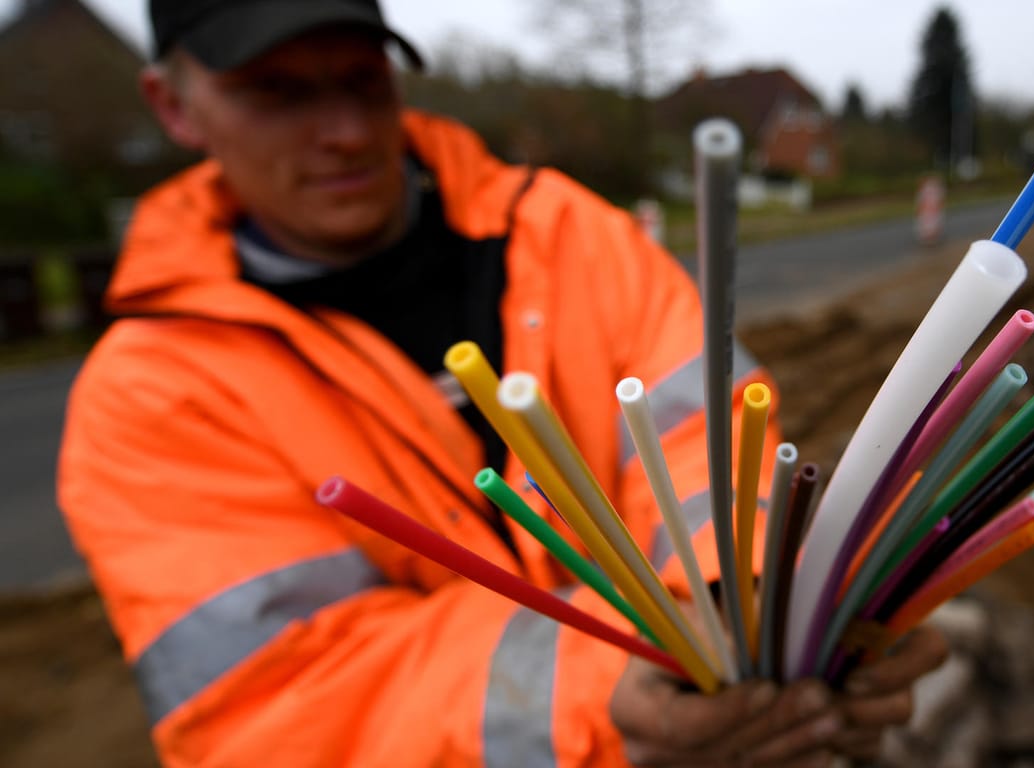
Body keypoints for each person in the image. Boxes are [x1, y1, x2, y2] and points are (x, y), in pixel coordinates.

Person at [57, 1, 947, 765]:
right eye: (277, 92)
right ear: (172, 105)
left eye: (364, 81)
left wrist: (774, 620)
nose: (348, 131)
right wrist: (610, 695)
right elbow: (283, 706)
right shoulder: (149, 392)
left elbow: (716, 465)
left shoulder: (572, 234)